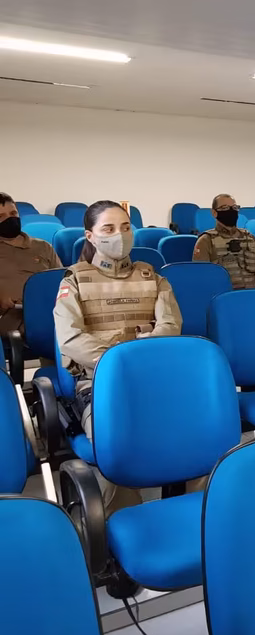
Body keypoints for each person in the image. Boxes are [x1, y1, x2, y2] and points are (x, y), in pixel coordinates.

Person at [54, 201, 185, 514]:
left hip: (153, 377)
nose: (120, 235)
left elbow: (170, 325)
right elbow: (71, 339)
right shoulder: (74, 281)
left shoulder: (152, 277)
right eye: (109, 229)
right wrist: (122, 364)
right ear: (90, 236)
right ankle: (123, 521)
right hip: (100, 383)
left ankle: (198, 516)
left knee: (196, 428)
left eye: (126, 227)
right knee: (120, 441)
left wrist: (140, 359)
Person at [0, 192, 63, 335]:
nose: (9, 219)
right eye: (1, 217)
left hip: (47, 312)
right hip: (10, 318)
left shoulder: (43, 247)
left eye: (13, 213)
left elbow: (61, 281)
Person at [193, 193, 255, 289]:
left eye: (234, 208)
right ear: (214, 213)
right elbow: (201, 278)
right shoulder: (205, 240)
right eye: (225, 208)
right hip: (224, 296)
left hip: (254, 293)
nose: (231, 211)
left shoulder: (250, 238)